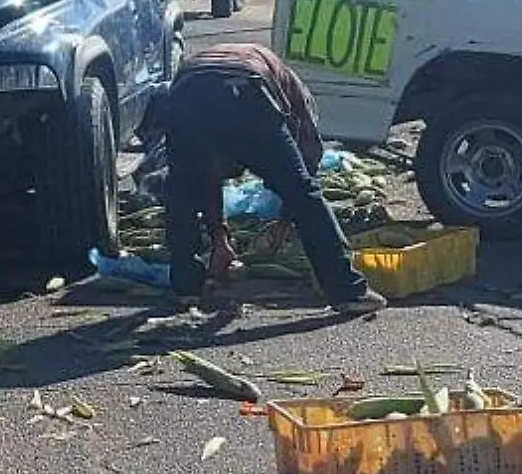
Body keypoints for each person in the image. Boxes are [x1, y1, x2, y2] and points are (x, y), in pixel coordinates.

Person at [143, 42, 387, 315]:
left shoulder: (248, 69)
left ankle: (185, 288)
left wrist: (222, 236)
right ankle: (347, 290)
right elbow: (307, 159)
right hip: (245, 92)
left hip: (186, 96)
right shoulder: (295, 92)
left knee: (183, 192)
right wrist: (286, 219)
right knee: (303, 191)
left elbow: (206, 174)